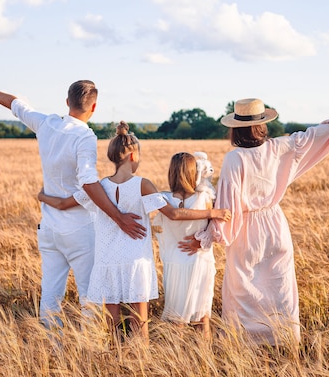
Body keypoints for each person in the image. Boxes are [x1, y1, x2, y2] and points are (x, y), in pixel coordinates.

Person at [179, 98, 329, 345]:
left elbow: (227, 207)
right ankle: (283, 340)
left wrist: (207, 237)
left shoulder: (235, 158)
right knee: (280, 287)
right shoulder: (281, 146)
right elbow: (314, 135)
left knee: (241, 288)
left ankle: (243, 345)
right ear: (261, 126)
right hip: (275, 225)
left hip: (245, 229)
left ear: (235, 128)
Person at [0, 74, 145, 329]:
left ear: (67, 101)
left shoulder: (46, 124)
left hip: (48, 227)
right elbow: (89, 183)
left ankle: (52, 349)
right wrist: (119, 217)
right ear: (94, 107)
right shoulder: (85, 137)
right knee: (89, 296)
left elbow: (16, 104)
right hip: (80, 230)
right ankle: (89, 348)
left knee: (50, 294)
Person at [38, 122, 231, 342]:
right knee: (140, 331)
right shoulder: (143, 185)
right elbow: (173, 214)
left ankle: (115, 364)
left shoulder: (98, 187)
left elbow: (63, 204)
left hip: (107, 263)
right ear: (132, 156)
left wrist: (42, 196)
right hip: (136, 262)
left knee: (112, 331)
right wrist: (213, 212)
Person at [152, 152, 226, 339]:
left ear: (172, 173)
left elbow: (164, 221)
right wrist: (211, 215)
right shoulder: (206, 198)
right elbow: (215, 229)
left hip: (175, 264)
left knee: (177, 321)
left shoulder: (163, 198)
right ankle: (204, 360)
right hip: (200, 262)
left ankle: (178, 362)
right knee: (203, 318)